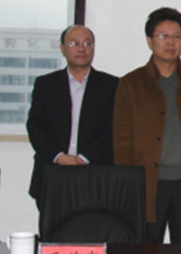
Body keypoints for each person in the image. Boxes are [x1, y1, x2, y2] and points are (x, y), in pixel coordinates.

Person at [114, 7, 181, 243]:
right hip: (148, 183)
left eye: (177, 36)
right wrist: (128, 182)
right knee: (145, 252)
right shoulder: (130, 84)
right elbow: (122, 140)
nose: (171, 42)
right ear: (149, 40)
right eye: (163, 36)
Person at [26, 25, 118, 209]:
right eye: (74, 43)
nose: (81, 49)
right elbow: (35, 126)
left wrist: (85, 158)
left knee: (93, 226)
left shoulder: (112, 85)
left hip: (96, 173)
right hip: (52, 173)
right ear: (62, 48)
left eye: (87, 43)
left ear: (93, 48)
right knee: (52, 227)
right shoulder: (46, 84)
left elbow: (114, 128)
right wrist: (59, 157)